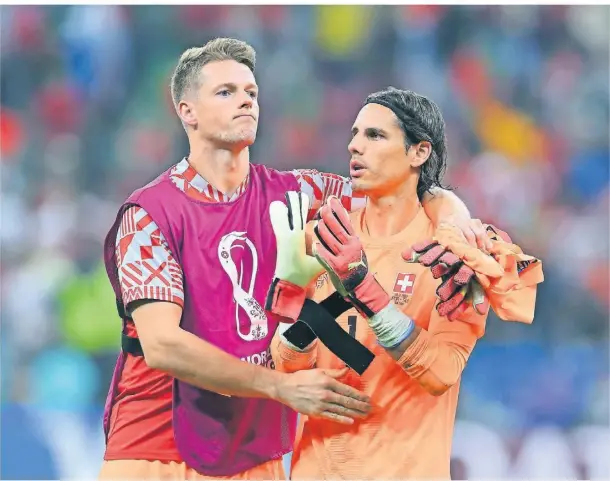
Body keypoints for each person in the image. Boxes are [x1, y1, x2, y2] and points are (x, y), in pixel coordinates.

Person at [99, 38, 484, 480]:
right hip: (157, 450)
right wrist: (281, 386)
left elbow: (404, 188)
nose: (245, 100)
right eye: (225, 92)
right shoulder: (151, 213)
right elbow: (162, 345)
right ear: (187, 112)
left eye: (251, 93)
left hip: (256, 456)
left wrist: (457, 220)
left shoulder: (298, 195)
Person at [269, 87, 542, 479]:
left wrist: (364, 290)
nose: (354, 146)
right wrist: (303, 314)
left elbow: (442, 372)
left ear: (419, 152)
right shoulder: (321, 237)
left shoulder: (454, 252)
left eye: (375, 135)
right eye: (355, 134)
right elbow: (286, 370)